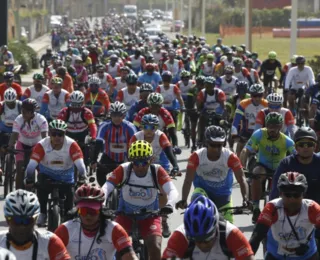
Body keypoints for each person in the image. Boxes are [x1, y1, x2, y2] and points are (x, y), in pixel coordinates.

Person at [102, 140, 179, 260]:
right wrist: (102, 204)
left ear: (151, 160)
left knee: (155, 246)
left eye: (144, 162)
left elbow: (173, 190)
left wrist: (169, 205)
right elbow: (107, 187)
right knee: (116, 248)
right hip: (125, 215)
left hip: (150, 217)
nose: (140, 166)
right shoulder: (124, 169)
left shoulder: (156, 170)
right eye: (136, 163)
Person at [176, 125, 249, 223]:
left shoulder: (230, 157)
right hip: (202, 193)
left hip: (223, 196)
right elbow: (188, 180)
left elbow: (242, 179)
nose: (217, 149)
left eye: (220, 145)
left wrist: (245, 199)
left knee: (228, 230)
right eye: (213, 145)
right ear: (207, 143)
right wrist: (184, 199)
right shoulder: (196, 156)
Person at [25, 119, 87, 226]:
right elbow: (31, 165)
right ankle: (43, 213)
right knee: (41, 189)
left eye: (60, 134)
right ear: (49, 134)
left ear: (65, 134)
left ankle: (68, 217)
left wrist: (83, 178)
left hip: (66, 177)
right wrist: (29, 178)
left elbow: (80, 165)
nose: (57, 137)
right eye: (54, 134)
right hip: (46, 175)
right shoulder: (42, 145)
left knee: (70, 199)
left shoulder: (72, 145)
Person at [55, 183, 138, 260]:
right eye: (83, 211)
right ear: (77, 211)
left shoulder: (115, 229)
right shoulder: (65, 230)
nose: (88, 215)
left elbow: (130, 256)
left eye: (93, 211)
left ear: (101, 210)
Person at [250, 172, 320, 260]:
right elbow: (256, 236)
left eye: (296, 195)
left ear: (303, 195)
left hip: (307, 256)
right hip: (277, 256)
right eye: (287, 194)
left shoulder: (312, 208)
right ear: (281, 194)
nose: (292, 199)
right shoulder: (272, 208)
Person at [240, 112, 295, 223]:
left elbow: (297, 156)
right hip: (263, 166)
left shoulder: (287, 141)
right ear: (266, 125)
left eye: (275, 126)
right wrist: (242, 167)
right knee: (256, 173)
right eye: (269, 125)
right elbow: (245, 150)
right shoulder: (259, 134)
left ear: (281, 126)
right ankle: (256, 207)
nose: (272, 129)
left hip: (280, 168)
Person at [163, 196, 255, 260]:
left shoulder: (232, 234)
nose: (202, 245)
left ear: (216, 228)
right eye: (197, 241)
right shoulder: (180, 236)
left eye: (207, 239)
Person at [0, 189, 71, 259]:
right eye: (17, 220)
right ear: (7, 219)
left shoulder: (51, 242)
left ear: (35, 219)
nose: (22, 227)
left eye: (27, 220)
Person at [270, 127, 320, 204]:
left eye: (309, 144)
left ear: (315, 146)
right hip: (291, 209)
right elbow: (275, 190)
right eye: (301, 144)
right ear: (296, 147)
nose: (305, 147)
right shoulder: (286, 163)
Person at [94, 101, 136, 187]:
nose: (116, 118)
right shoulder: (104, 126)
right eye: (114, 115)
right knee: (99, 172)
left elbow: (135, 144)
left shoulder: (130, 127)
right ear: (110, 115)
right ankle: (106, 193)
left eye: (119, 115)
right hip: (109, 157)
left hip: (126, 157)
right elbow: (98, 142)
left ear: (123, 115)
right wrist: (93, 160)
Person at [8, 99, 48, 189]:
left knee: (40, 168)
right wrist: (10, 146)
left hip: (36, 144)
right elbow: (14, 135)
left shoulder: (41, 119)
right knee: (19, 168)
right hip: (22, 143)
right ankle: (17, 193)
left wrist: (46, 149)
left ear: (32, 112)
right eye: (22, 111)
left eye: (25, 112)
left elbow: (45, 137)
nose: (23, 114)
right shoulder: (19, 119)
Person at [57, 91, 97, 164]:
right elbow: (58, 126)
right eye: (74, 104)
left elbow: (92, 125)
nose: (76, 107)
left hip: (82, 134)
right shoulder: (64, 112)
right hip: (68, 133)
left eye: (78, 104)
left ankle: (86, 163)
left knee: (88, 146)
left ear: (82, 103)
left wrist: (94, 137)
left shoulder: (87, 112)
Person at [232, 83, 268, 156]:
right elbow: (236, 120)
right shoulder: (243, 103)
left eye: (260, 95)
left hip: (262, 131)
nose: (257, 98)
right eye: (255, 95)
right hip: (246, 131)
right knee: (240, 147)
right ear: (251, 95)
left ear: (263, 95)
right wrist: (234, 132)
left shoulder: (267, 104)